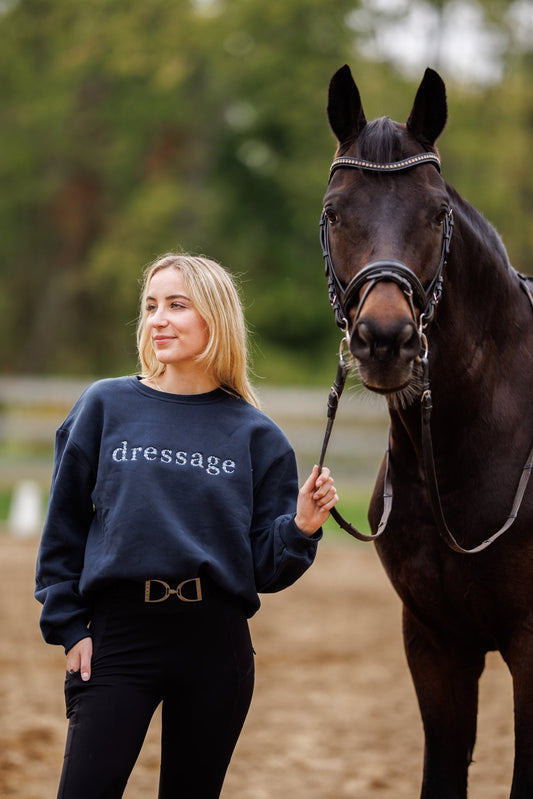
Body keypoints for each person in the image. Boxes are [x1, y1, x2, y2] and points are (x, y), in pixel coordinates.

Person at [35, 252, 338, 799]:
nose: (157, 320)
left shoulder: (257, 436)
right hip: (117, 637)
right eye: (150, 307)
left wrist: (301, 525)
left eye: (177, 305)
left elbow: (265, 569)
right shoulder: (105, 405)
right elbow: (64, 527)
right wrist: (70, 626)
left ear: (215, 319)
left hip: (214, 645)